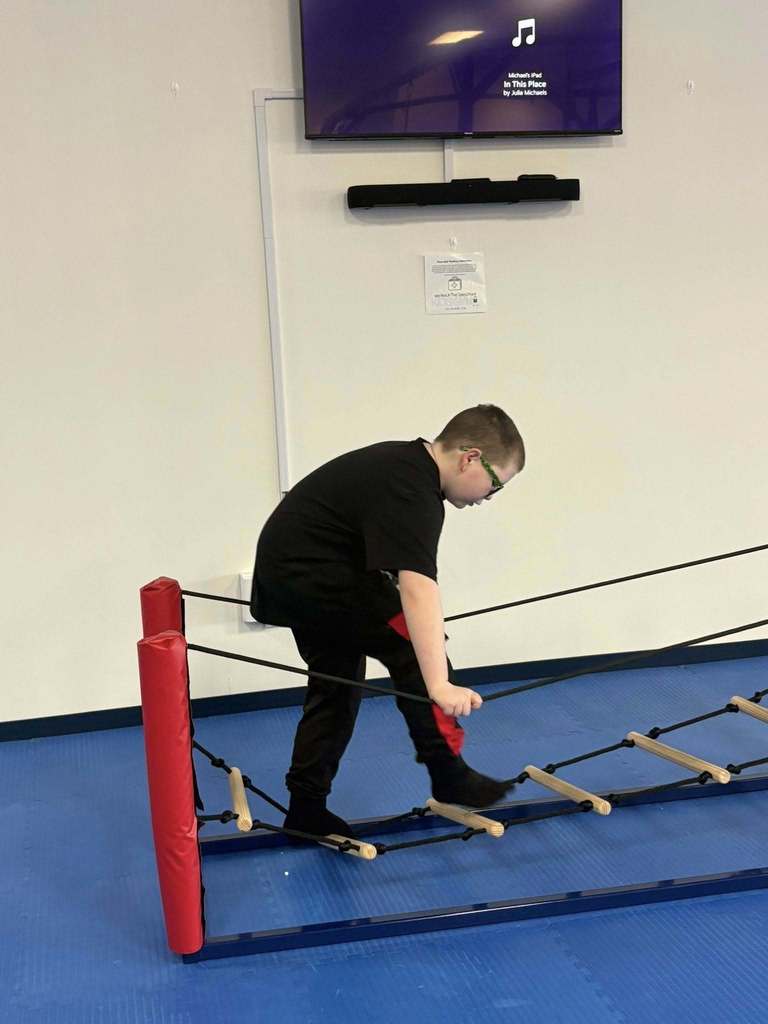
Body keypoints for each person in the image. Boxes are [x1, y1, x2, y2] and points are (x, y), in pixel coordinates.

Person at [251, 404, 525, 838]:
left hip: (292, 574)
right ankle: (448, 769)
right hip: (311, 573)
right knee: (413, 645)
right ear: (470, 457)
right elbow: (417, 590)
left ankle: (306, 804)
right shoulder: (412, 489)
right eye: (493, 486)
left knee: (337, 683)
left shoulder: (404, 467)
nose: (487, 498)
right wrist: (439, 686)